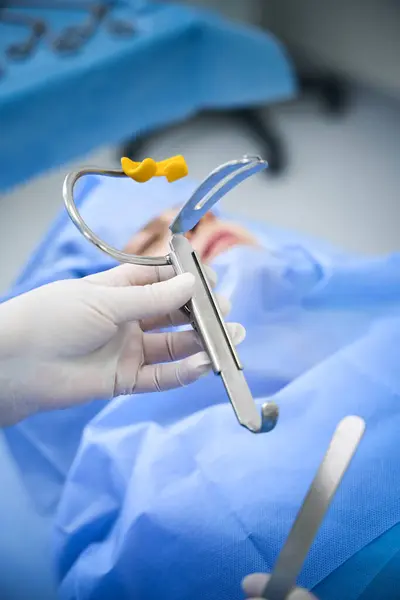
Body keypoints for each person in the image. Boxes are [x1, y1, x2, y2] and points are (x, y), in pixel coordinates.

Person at [4, 172, 400, 600]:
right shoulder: (132, 465)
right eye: (149, 240)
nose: (194, 227)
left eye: (206, 215)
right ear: (123, 292)